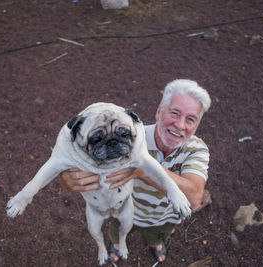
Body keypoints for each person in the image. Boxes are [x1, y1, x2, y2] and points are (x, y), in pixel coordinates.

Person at [59, 79, 211, 263]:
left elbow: (194, 199)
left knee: (156, 235)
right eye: (174, 113)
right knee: (117, 232)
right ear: (158, 112)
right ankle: (116, 243)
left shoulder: (197, 150)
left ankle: (155, 242)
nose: (180, 125)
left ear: (196, 126)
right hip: (119, 207)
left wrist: (141, 171)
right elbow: (80, 158)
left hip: (163, 217)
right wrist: (66, 178)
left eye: (190, 119)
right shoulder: (130, 136)